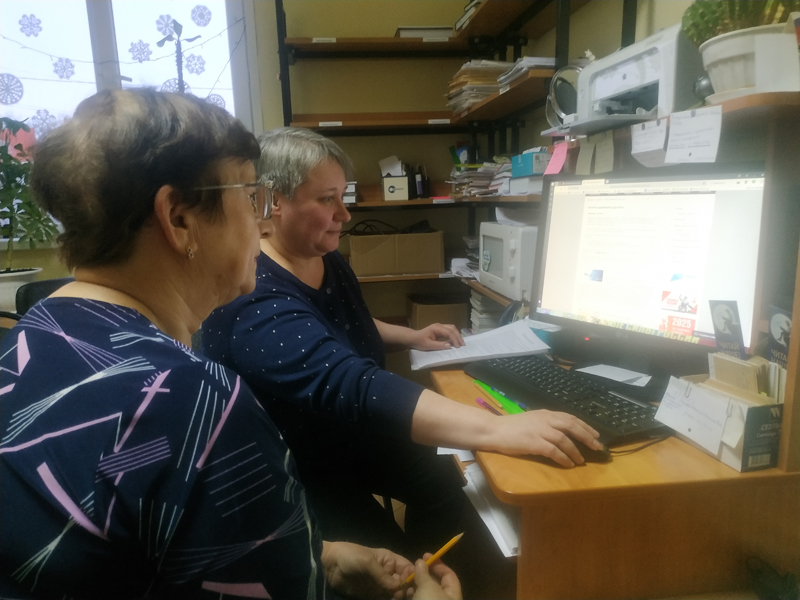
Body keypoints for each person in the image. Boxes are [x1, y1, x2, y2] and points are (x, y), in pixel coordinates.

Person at [0, 89, 459, 600]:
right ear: (179, 218)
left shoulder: (30, 334)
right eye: (250, 196)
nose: (261, 220)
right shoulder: (196, 404)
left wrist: (323, 557)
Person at [201, 127, 603, 566]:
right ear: (274, 201)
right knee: (385, 567)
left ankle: (434, 569)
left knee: (453, 486)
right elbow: (350, 382)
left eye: (343, 196)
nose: (345, 214)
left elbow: (330, 329)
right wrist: (501, 429)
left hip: (347, 434)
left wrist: (409, 336)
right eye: (327, 199)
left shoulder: (321, 254)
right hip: (298, 466)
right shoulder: (255, 299)